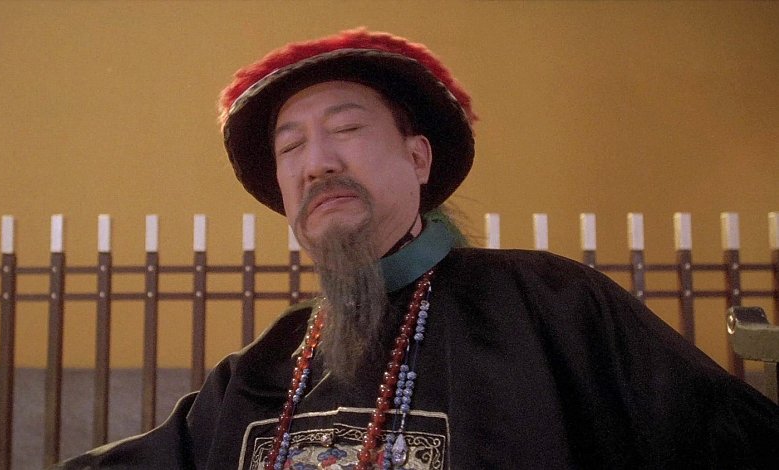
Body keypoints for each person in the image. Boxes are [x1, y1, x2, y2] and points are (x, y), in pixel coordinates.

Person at [56, 28, 779, 469]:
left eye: (347, 129)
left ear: (418, 158)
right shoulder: (264, 366)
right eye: (290, 147)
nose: (316, 163)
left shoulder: (552, 308)